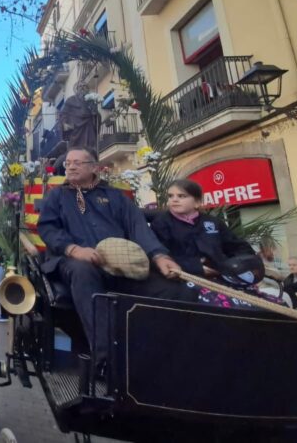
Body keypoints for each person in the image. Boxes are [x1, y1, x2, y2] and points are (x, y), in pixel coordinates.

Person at [36, 146, 194, 363]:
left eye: (77, 163)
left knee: (176, 290)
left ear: (93, 167)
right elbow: (48, 229)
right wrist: (74, 250)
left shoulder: (115, 197)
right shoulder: (57, 197)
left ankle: (163, 356)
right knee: (83, 272)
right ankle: (106, 361)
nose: (70, 166)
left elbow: (139, 228)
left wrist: (160, 257)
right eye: (68, 163)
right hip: (73, 262)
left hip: (120, 263)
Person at [150, 179, 257, 278]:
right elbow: (159, 255)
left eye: (181, 196)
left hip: (222, 277)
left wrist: (243, 264)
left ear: (197, 202)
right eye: (170, 196)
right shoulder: (161, 223)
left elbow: (237, 246)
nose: (174, 200)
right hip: (185, 281)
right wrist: (195, 268)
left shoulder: (212, 222)